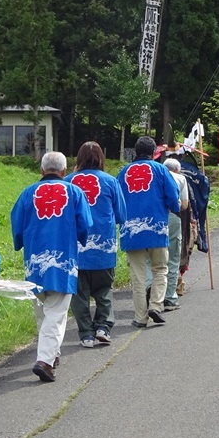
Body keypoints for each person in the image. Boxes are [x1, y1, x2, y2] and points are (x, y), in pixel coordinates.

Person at [11, 152, 92, 382]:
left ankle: (51, 354)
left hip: (35, 261)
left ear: (42, 170)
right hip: (63, 260)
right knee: (56, 313)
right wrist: (81, 238)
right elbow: (85, 225)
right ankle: (45, 360)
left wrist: (21, 242)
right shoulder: (74, 192)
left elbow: (17, 225)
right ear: (65, 172)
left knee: (42, 310)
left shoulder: (28, 193)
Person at [65, 141, 127, 347]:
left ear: (78, 159)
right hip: (104, 246)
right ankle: (103, 327)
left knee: (79, 293)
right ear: (102, 158)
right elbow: (121, 215)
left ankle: (86, 334)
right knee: (104, 289)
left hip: (75, 249)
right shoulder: (110, 181)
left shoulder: (67, 182)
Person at [117, 137, 180, 327]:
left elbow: (117, 201)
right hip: (156, 228)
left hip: (131, 230)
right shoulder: (161, 170)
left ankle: (140, 317)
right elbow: (173, 197)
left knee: (138, 275)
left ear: (135, 152)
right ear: (154, 152)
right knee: (160, 268)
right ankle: (156, 305)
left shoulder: (123, 172)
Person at [162, 157, 190, 310]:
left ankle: (153, 293)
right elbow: (184, 204)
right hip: (173, 217)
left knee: (153, 258)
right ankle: (170, 297)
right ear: (176, 169)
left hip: (154, 218)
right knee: (173, 257)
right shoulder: (180, 178)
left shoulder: (156, 176)